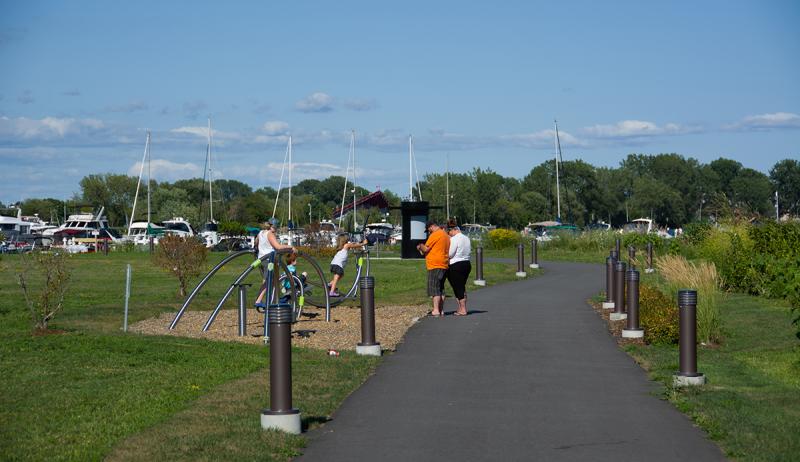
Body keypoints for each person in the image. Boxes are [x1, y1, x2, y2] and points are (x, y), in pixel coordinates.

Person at [254, 221, 294, 308]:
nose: (275, 231)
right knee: (270, 280)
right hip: (269, 260)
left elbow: (256, 243)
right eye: (276, 228)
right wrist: (290, 247)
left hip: (262, 258)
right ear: (273, 227)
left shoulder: (261, 232)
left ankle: (275, 299)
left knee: (272, 279)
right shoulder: (270, 234)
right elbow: (278, 247)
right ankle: (259, 300)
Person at [416, 220, 450, 317]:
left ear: (431, 227)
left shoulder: (435, 235)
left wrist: (420, 246)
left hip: (435, 265)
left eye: (428, 230)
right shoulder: (445, 235)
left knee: (434, 289)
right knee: (441, 289)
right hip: (444, 264)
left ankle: (436, 310)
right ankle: (441, 309)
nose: (429, 232)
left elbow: (426, 248)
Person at [446, 218, 471, 316]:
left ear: (453, 230)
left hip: (456, 264)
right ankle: (460, 308)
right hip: (467, 263)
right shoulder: (466, 238)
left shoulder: (454, 239)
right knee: (462, 286)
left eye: (449, 232)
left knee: (458, 287)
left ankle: (463, 309)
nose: (449, 234)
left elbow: (450, 254)